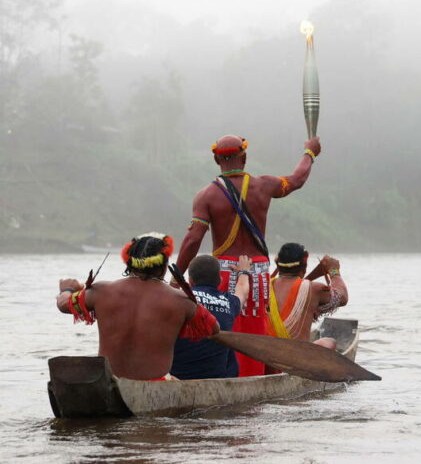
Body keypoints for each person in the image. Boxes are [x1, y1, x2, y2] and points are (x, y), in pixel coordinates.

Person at [174, 134, 321, 376]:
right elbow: (297, 179)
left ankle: (222, 377)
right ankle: (253, 379)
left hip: (221, 273)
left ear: (215, 160)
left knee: (221, 329)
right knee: (255, 329)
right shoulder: (264, 185)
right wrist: (310, 153)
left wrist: (177, 276)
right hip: (258, 273)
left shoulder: (206, 195)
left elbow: (192, 240)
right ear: (244, 157)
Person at [54, 233, 219, 381]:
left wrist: (67, 289)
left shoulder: (100, 291)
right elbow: (213, 328)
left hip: (108, 382)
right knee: (174, 380)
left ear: (129, 263)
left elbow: (63, 304)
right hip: (156, 384)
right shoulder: (181, 300)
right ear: (165, 264)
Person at [170, 255, 252, 379]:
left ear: (190, 280)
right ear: (219, 280)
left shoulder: (178, 299)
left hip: (177, 377)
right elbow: (242, 290)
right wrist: (243, 272)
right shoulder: (228, 302)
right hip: (217, 378)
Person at [266, 243, 348, 351]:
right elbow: (342, 297)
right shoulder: (314, 289)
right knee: (329, 342)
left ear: (277, 264)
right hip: (298, 356)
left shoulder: (264, 286)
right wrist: (334, 271)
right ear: (304, 267)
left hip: (267, 352)